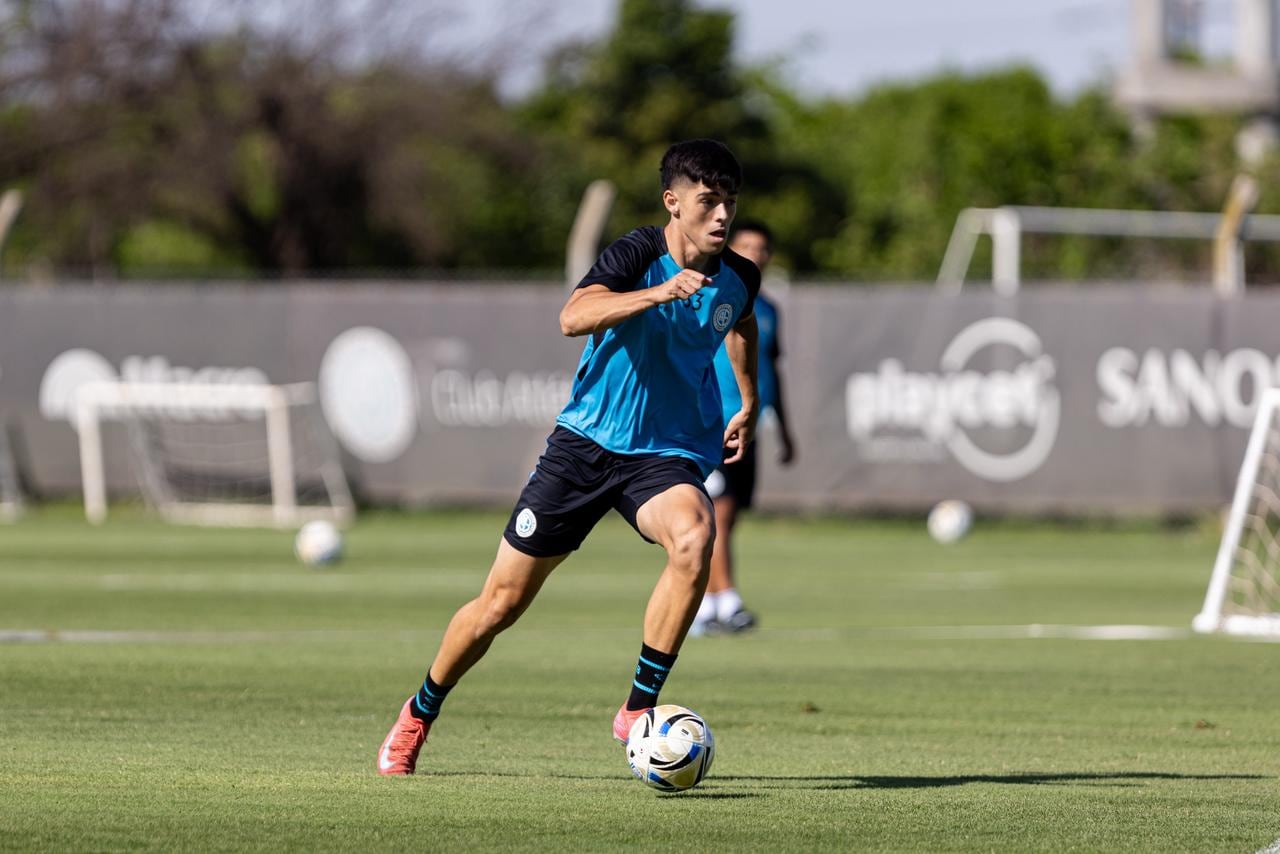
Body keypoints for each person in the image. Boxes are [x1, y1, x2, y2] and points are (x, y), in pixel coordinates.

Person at [376, 139, 760, 775]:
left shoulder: (739, 275)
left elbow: (739, 322)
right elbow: (573, 316)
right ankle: (419, 711)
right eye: (708, 201)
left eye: (730, 203)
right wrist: (656, 294)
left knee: (694, 537)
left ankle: (638, 709)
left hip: (661, 457)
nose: (722, 216)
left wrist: (746, 398)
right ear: (673, 203)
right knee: (499, 605)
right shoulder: (637, 253)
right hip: (583, 448)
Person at [692, 221, 796, 636]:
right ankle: (725, 601)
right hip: (714, 423)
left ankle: (706, 607)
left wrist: (785, 430)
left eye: (761, 247)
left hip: (750, 427)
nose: (755, 253)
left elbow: (771, 369)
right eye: (746, 245)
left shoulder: (768, 309)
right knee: (717, 513)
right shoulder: (711, 296)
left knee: (727, 519)